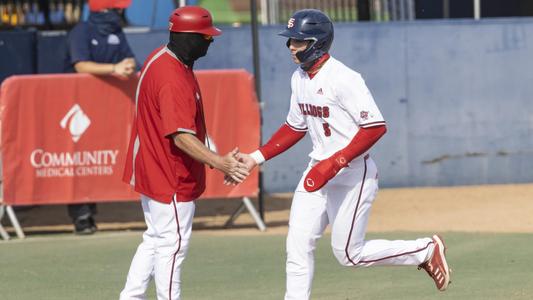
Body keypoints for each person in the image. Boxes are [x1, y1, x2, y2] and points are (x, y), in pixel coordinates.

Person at [233, 9, 451, 299]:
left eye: (299, 42)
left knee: (349, 254)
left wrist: (335, 163)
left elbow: (374, 127)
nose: (291, 48)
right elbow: (294, 127)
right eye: (290, 41)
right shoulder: (299, 78)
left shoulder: (344, 78)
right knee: (297, 246)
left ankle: (424, 250)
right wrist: (255, 158)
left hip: (352, 173)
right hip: (317, 170)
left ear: (318, 43)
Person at [119, 6, 249, 300]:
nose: (210, 41)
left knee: (155, 239)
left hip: (152, 167)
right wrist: (220, 163)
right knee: (172, 246)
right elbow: (180, 137)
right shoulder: (172, 77)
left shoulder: (161, 57)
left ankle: (131, 296)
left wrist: (216, 155)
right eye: (205, 37)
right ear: (188, 37)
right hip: (170, 175)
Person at [64, 0, 136, 234]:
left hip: (108, 107)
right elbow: (81, 66)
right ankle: (82, 214)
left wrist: (127, 66)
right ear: (104, 10)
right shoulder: (81, 31)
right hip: (77, 109)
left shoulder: (116, 31)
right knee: (81, 159)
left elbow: (130, 59)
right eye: (117, 8)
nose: (121, 12)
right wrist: (113, 68)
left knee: (107, 155)